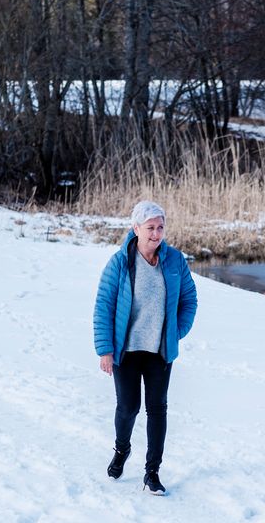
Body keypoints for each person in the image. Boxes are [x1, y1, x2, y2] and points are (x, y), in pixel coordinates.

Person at [93, 201, 198, 496]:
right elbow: (104, 306)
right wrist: (105, 349)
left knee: (157, 409)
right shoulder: (120, 262)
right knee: (128, 407)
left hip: (159, 351)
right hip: (126, 351)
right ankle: (122, 449)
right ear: (136, 228)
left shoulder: (175, 260)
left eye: (160, 227)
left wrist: (175, 333)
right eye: (150, 228)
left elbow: (189, 299)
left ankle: (152, 472)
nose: (156, 234)